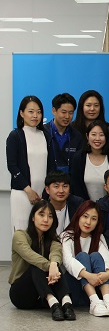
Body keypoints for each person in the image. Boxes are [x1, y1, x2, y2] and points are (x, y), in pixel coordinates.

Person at [9, 200, 76, 321]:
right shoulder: (20, 235)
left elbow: (56, 253)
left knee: (56, 265)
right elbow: (30, 256)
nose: (46, 220)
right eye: (41, 214)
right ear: (33, 217)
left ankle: (67, 303)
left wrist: (54, 265)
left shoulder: (53, 239)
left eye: (50, 216)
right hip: (21, 293)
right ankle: (54, 305)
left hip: (40, 294)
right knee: (38, 266)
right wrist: (51, 266)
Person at [60, 200, 109, 317]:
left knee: (96, 256)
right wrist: (89, 276)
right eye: (85, 216)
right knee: (82, 256)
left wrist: (107, 274)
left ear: (98, 222)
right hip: (75, 287)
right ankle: (94, 302)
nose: (88, 222)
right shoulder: (67, 236)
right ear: (78, 216)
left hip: (97, 285)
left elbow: (106, 259)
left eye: (93, 219)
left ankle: (108, 300)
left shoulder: (98, 237)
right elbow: (68, 262)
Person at [7, 95, 50, 231]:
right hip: (22, 193)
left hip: (42, 195)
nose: (35, 116)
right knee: (22, 235)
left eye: (39, 112)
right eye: (31, 111)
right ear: (21, 113)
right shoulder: (15, 136)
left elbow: (50, 166)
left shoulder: (45, 135)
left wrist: (45, 193)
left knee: (41, 235)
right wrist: (28, 190)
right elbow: (12, 166)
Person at [70, 121, 109, 201]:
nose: (97, 138)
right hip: (84, 206)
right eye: (93, 134)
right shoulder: (79, 158)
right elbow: (76, 186)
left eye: (101, 135)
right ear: (87, 136)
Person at [45, 93, 83, 173]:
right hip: (47, 179)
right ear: (54, 111)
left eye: (71, 113)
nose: (67, 116)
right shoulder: (44, 132)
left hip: (70, 179)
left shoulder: (77, 136)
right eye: (64, 112)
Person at [43, 171, 84, 235]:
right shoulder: (42, 208)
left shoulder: (78, 204)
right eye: (56, 186)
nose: (61, 191)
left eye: (65, 186)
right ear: (47, 190)